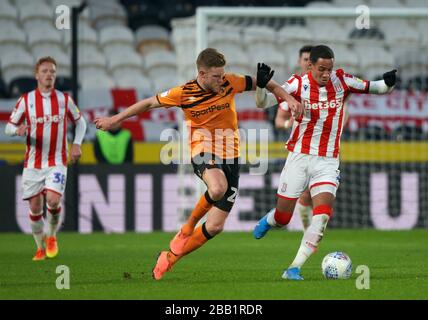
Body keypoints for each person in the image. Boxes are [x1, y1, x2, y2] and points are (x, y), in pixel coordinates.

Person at [94, 48, 302, 280]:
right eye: (215, 76)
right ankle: (186, 228)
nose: (221, 80)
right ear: (201, 74)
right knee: (217, 188)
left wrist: (289, 98)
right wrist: (115, 119)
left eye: (222, 75)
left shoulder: (229, 82)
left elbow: (265, 84)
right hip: (202, 149)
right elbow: (148, 104)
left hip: (231, 156)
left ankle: (170, 258)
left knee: (214, 226)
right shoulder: (184, 93)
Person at [253, 45, 396, 280]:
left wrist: (388, 83)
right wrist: (260, 86)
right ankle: (271, 220)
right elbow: (263, 103)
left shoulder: (342, 81)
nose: (326, 73)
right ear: (311, 65)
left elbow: (375, 87)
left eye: (329, 69)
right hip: (299, 157)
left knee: (322, 217)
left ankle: (294, 268)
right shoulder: (298, 84)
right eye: (322, 69)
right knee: (283, 218)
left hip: (328, 161)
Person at [5, 56, 87, 261]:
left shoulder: (64, 100)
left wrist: (76, 144)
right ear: (36, 75)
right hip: (33, 163)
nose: (49, 74)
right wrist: (18, 130)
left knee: (52, 200)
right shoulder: (26, 100)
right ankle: (40, 247)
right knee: (34, 206)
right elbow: (8, 126)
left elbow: (81, 122)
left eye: (52, 71)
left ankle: (52, 237)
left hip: (57, 161)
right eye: (45, 71)